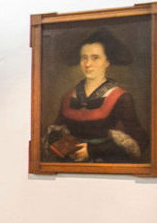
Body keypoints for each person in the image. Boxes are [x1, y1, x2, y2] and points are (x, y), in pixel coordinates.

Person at [43, 29, 148, 163]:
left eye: (95, 58)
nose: (87, 64)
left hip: (105, 164)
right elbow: (54, 132)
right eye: (84, 58)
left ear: (107, 62)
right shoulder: (68, 97)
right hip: (69, 163)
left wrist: (92, 150)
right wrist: (71, 150)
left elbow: (140, 139)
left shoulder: (121, 97)